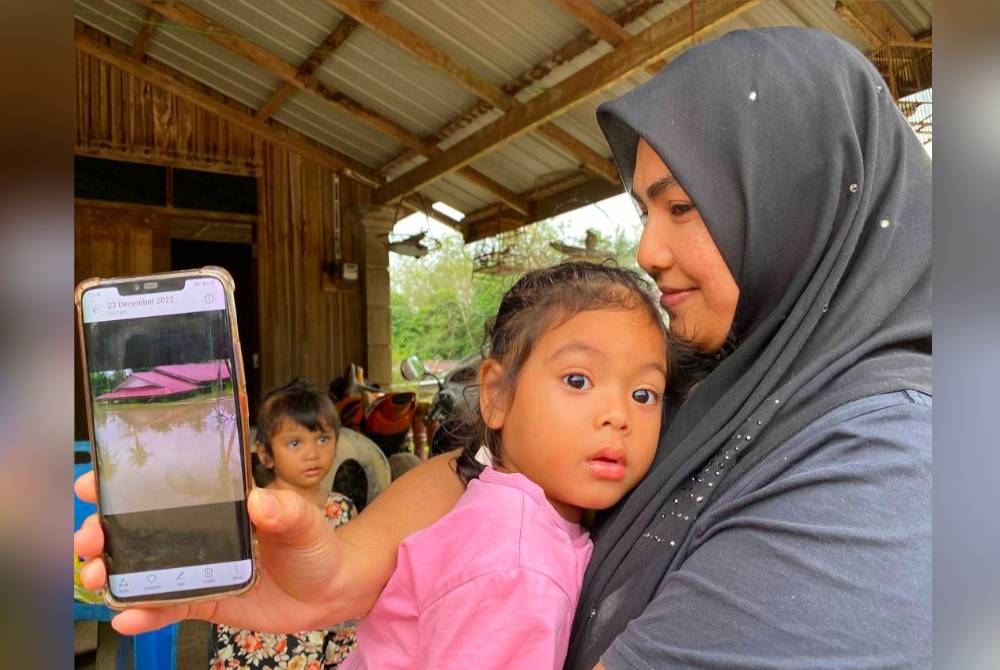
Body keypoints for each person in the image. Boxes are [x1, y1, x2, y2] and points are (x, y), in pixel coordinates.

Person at [75, 26, 931, 669]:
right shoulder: (735, 376)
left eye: (683, 206)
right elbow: (504, 463)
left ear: (806, 198)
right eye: (644, 212)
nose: (648, 252)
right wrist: (342, 570)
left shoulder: (885, 465)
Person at [337, 261, 668, 668]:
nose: (619, 414)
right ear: (496, 395)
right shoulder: (518, 563)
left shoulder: (511, 515)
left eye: (644, 394)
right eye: (578, 380)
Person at [209, 379, 358, 669]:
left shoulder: (341, 509)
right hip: (257, 638)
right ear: (265, 454)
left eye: (323, 439)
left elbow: (351, 583)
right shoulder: (257, 509)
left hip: (323, 638)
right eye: (295, 443)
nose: (312, 453)